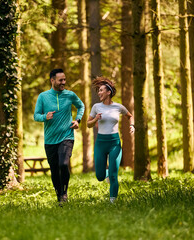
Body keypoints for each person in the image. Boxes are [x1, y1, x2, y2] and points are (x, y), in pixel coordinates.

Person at [34, 68, 85, 204]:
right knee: (54, 169)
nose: (64, 82)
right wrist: (45, 116)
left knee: (63, 164)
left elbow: (81, 106)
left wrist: (77, 120)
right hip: (50, 139)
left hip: (67, 136)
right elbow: (36, 116)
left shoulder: (70, 95)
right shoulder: (43, 97)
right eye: (60, 80)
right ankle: (59, 195)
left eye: (64, 79)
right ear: (52, 80)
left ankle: (64, 193)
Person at [87, 76, 134, 203]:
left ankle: (112, 202)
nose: (99, 93)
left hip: (115, 143)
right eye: (98, 91)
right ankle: (106, 173)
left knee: (114, 175)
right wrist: (95, 119)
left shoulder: (118, 107)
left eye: (101, 90)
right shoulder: (96, 107)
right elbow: (88, 124)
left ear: (109, 92)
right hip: (101, 144)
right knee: (100, 176)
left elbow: (130, 116)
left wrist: (132, 125)